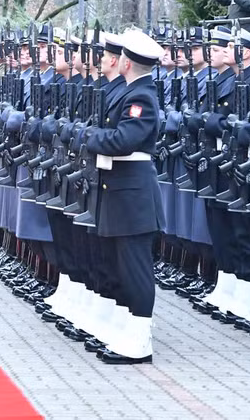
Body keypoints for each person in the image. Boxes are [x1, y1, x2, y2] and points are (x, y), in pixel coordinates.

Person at [83, 29, 164, 364]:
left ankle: (139, 339)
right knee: (121, 266)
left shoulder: (142, 97)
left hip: (133, 195)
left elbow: (123, 140)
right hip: (120, 191)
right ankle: (128, 333)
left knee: (135, 269)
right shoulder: (131, 92)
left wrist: (89, 136)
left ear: (126, 62)